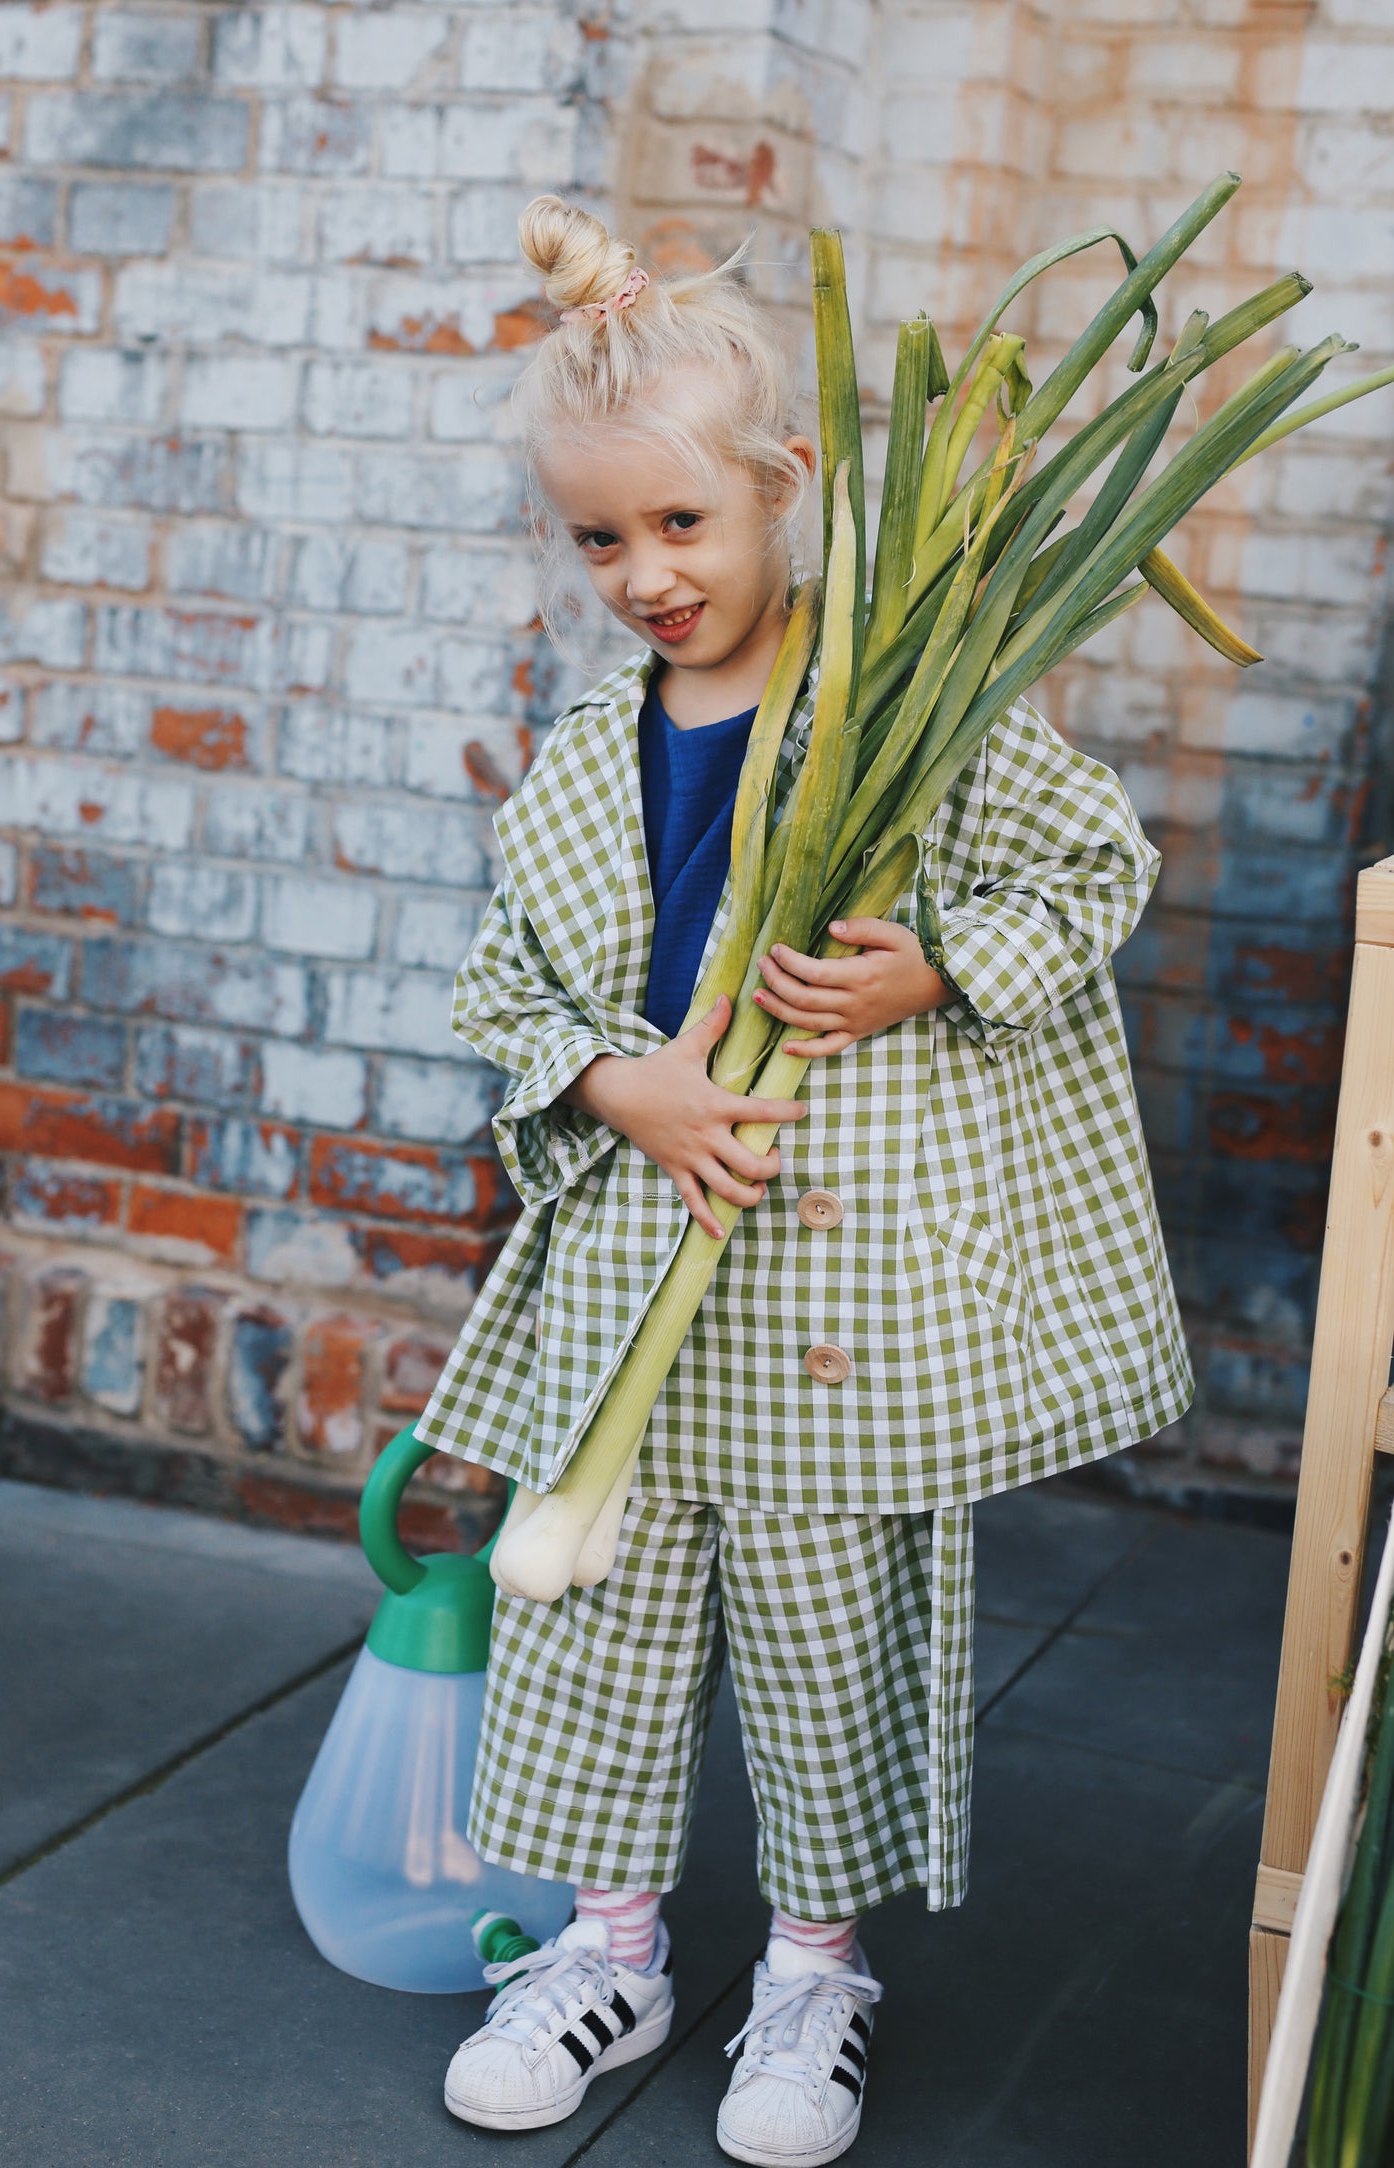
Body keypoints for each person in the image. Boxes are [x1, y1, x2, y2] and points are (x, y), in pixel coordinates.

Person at [419, 193, 1194, 2166]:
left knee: (826, 1626)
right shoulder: (595, 746)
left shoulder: (909, 719)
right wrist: (620, 1081)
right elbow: (505, 981)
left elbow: (1098, 866)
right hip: (636, 1270)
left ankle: (810, 1968)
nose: (645, 574)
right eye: (601, 538)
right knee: (591, 1617)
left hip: (836, 1295)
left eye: (682, 525)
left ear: (781, 490)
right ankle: (609, 1948)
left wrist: (940, 960)